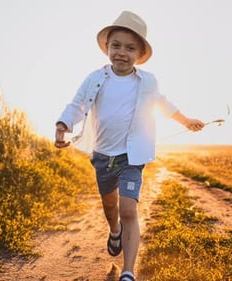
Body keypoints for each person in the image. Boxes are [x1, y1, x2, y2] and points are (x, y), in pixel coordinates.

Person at [54, 10, 205, 281]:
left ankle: (128, 272)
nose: (121, 52)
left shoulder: (147, 81)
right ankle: (114, 232)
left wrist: (185, 120)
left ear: (139, 54)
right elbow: (76, 104)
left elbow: (162, 102)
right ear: (107, 48)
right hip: (102, 156)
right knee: (111, 209)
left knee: (128, 209)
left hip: (132, 156)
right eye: (116, 46)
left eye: (130, 48)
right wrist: (63, 125)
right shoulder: (96, 78)